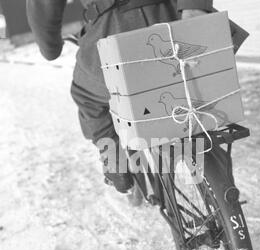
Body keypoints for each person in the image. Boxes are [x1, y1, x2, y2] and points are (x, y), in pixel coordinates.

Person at [26, 0, 248, 193]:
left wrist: (50, 48)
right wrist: (194, 6)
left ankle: (115, 163)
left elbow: (42, 6)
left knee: (86, 97)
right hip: (172, 18)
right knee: (193, 78)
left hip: (112, 31)